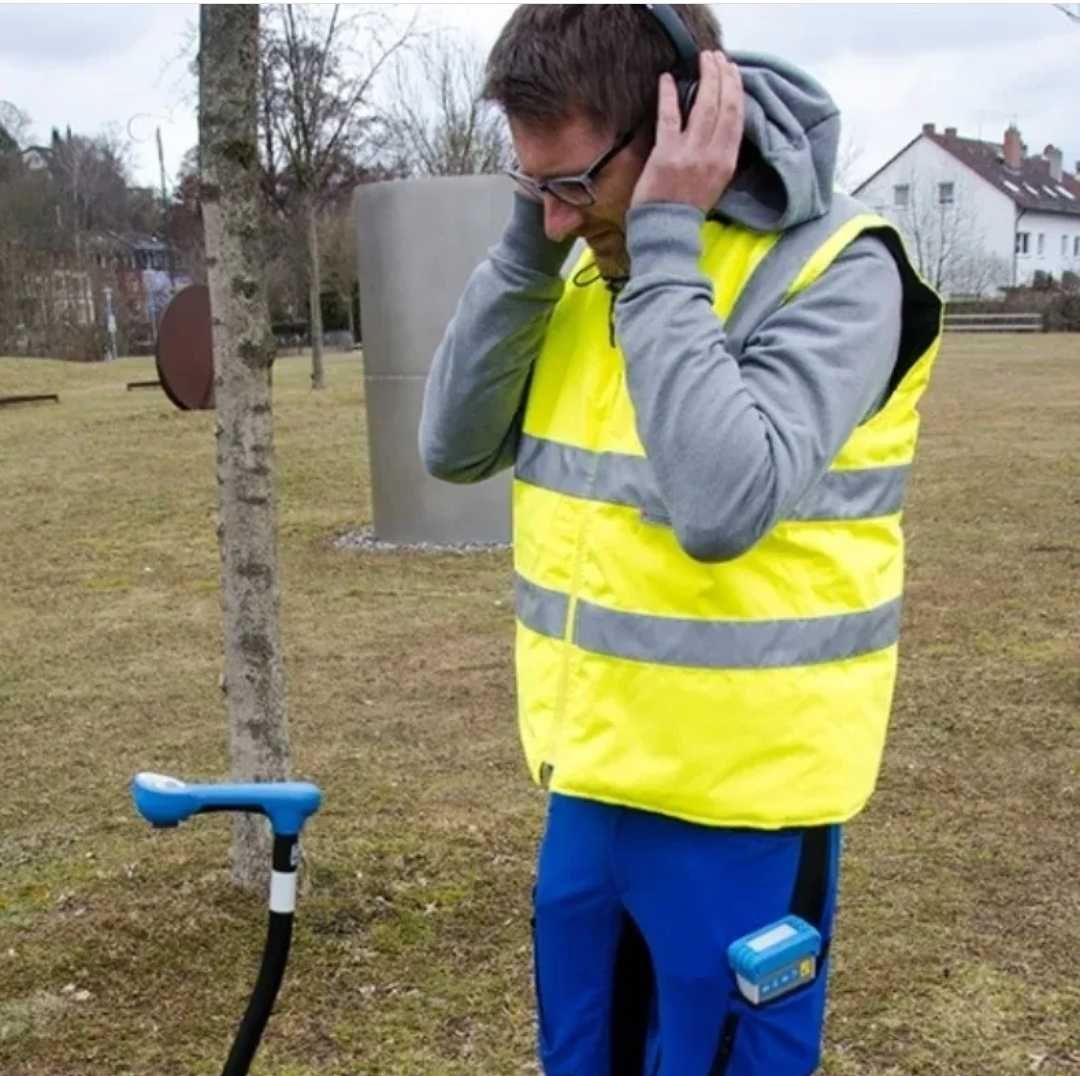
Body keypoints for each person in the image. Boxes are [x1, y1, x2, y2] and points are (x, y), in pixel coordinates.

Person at [419, 5, 942, 1074]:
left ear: (682, 119)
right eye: (534, 185)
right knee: (580, 1056)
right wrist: (529, 238)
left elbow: (722, 500)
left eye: (570, 185)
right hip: (592, 780)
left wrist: (660, 242)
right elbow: (453, 445)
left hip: (743, 803)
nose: (559, 218)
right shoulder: (566, 255)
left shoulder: (840, 268)